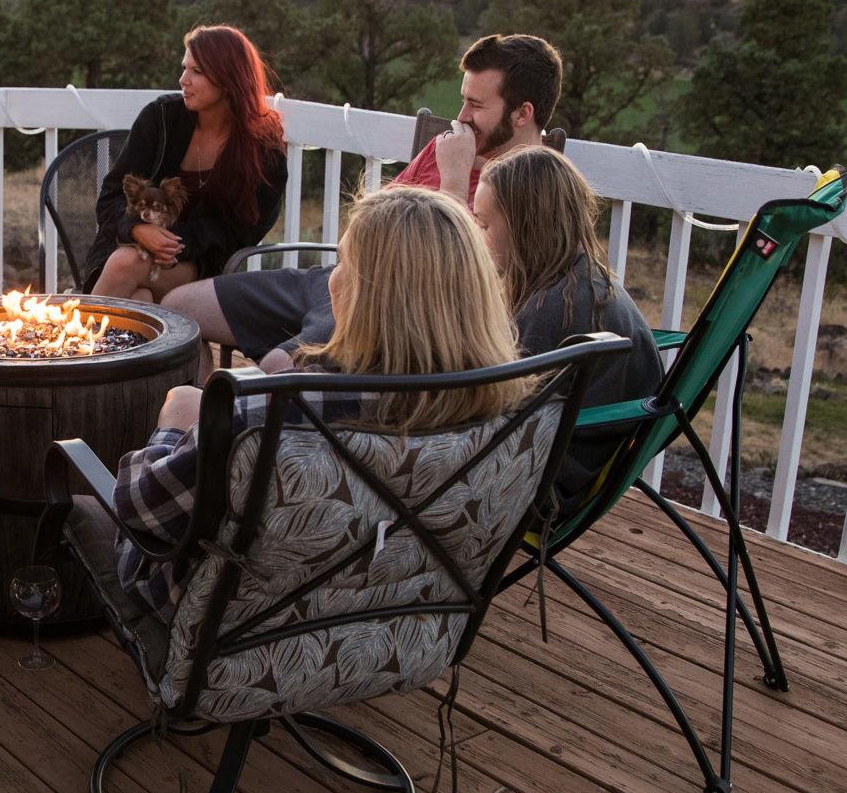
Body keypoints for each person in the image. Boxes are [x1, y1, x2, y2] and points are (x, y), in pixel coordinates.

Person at [113, 184, 529, 620]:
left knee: (166, 419)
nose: (332, 275)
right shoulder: (511, 406)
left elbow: (142, 510)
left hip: (244, 622)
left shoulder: (283, 408)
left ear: (368, 294)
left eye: (344, 261)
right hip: (402, 621)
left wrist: (174, 426)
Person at [165, 33, 563, 373]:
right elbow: (363, 226)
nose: (459, 117)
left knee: (275, 368)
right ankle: (190, 431)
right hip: (336, 276)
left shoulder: (531, 190)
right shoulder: (448, 146)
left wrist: (455, 182)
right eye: (463, 100)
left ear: (522, 114)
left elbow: (464, 289)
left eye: (476, 106)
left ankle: (212, 445)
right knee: (177, 310)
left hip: (382, 304)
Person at [473, 145, 663, 506]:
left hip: (537, 488)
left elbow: (495, 420)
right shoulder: (585, 280)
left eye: (483, 224)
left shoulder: (555, 309)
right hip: (574, 469)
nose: (477, 237)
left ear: (526, 225)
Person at [85, 25, 287, 302]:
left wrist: (172, 241)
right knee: (140, 297)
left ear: (229, 79)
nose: (183, 80)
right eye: (184, 68)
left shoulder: (263, 148)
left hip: (200, 266)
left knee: (126, 265)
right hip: (125, 246)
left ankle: (83, 343)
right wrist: (138, 228)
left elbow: (244, 231)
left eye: (197, 72)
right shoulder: (161, 118)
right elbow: (110, 197)